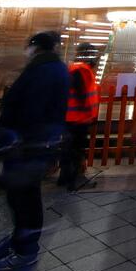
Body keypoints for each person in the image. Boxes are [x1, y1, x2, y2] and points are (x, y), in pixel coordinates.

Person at [0, 32, 69, 271]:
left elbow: (31, 107)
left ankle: (25, 249)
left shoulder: (44, 70)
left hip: (30, 143)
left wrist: (10, 131)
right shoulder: (49, 68)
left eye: (30, 46)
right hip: (34, 141)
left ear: (36, 48)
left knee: (24, 199)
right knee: (21, 196)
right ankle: (19, 241)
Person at [58, 43, 99, 191]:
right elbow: (82, 94)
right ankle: (74, 180)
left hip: (72, 117)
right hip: (78, 118)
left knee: (70, 148)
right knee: (76, 149)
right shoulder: (81, 70)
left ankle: (64, 178)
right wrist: (88, 113)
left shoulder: (77, 68)